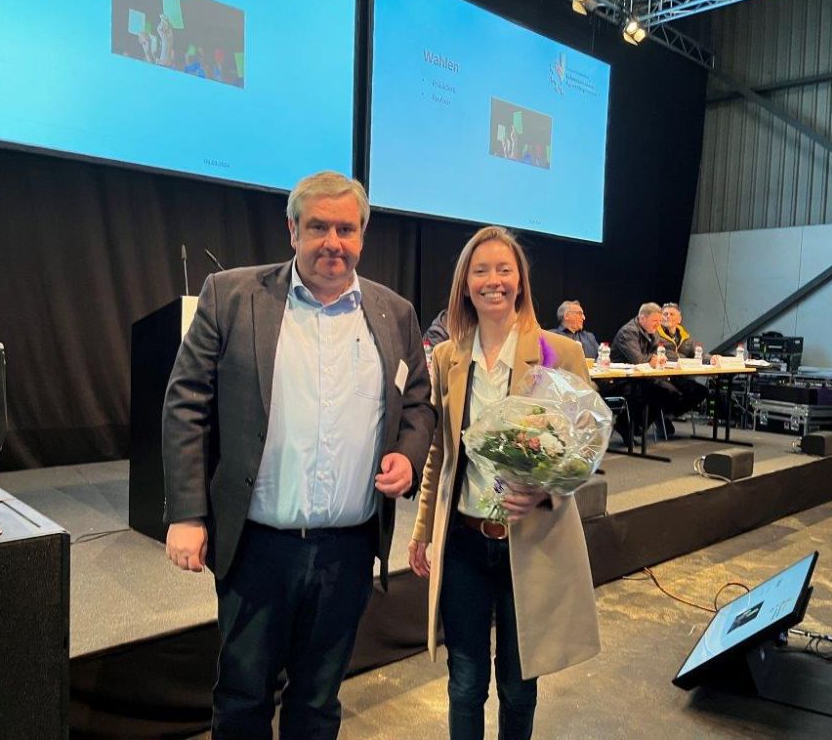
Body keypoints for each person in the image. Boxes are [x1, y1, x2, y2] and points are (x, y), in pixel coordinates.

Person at [162, 171, 435, 740]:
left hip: (348, 551)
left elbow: (418, 404)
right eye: (318, 227)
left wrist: (409, 458)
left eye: (345, 228)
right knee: (242, 697)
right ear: (292, 230)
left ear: (362, 235)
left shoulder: (394, 313)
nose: (332, 241)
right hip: (258, 547)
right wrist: (186, 513)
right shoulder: (231, 295)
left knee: (318, 699)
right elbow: (185, 404)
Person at [408, 226, 600, 740]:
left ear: (520, 280)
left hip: (530, 543)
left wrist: (548, 488)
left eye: (504, 270)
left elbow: (585, 446)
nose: (493, 281)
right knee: (465, 682)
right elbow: (439, 456)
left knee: (519, 685)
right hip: (465, 543)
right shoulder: (449, 356)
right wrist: (423, 529)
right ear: (464, 284)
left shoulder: (558, 352)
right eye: (481, 270)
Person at [610, 302, 703, 436]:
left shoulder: (653, 332)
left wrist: (657, 359)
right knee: (663, 390)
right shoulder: (628, 332)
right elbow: (638, 360)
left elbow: (657, 354)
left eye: (659, 321)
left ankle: (638, 425)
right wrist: (653, 359)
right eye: (655, 320)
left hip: (644, 377)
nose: (658, 324)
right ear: (642, 318)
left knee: (672, 391)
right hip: (622, 380)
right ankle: (628, 425)